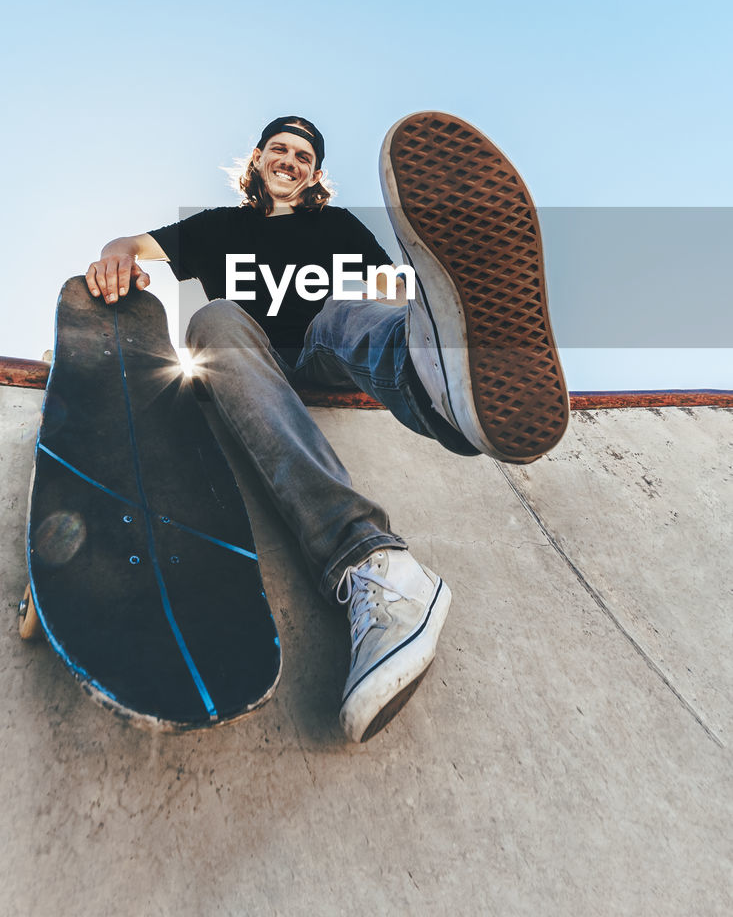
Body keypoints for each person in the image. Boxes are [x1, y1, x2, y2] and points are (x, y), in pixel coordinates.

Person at [85, 112, 569, 742]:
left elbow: (385, 285)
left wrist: (409, 310)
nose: (290, 160)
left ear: (314, 174)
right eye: (280, 150)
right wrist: (115, 260)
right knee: (214, 320)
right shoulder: (214, 226)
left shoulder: (334, 225)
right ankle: (384, 553)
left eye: (304, 156)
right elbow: (131, 244)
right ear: (258, 159)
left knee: (347, 312)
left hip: (322, 352)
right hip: (250, 360)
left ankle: (437, 376)